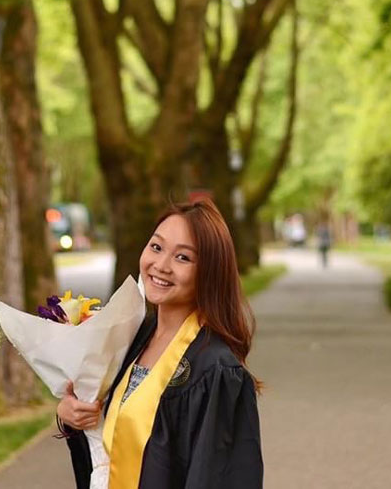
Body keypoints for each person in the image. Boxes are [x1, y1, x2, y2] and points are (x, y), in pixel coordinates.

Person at [56, 198, 263, 489]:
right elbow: (108, 443)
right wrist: (70, 416)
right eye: (156, 247)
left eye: (183, 258)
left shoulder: (215, 370)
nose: (161, 265)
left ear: (209, 272)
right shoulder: (131, 339)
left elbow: (218, 477)